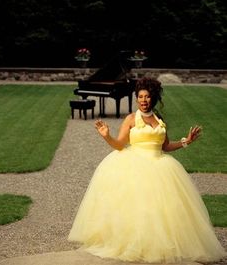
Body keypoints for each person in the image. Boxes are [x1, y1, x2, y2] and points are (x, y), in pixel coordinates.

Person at [68, 77, 226, 263]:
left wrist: (186, 142)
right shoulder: (131, 119)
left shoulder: (159, 119)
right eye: (140, 97)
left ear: (153, 98)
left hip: (160, 165)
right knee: (137, 208)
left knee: (163, 210)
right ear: (136, 99)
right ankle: (134, 244)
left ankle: (159, 244)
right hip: (134, 165)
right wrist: (107, 136)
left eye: (147, 96)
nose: (143, 100)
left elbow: (165, 146)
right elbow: (119, 145)